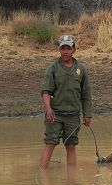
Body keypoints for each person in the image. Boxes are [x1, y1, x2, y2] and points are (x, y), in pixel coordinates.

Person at [40, 35, 93, 168]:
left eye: (68, 48)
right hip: (55, 114)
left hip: (73, 115)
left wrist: (87, 115)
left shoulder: (81, 69)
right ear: (59, 49)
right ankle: (42, 172)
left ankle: (72, 180)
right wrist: (48, 109)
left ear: (74, 49)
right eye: (62, 48)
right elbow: (46, 91)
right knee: (50, 143)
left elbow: (86, 94)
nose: (65, 51)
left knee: (70, 145)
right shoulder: (52, 68)